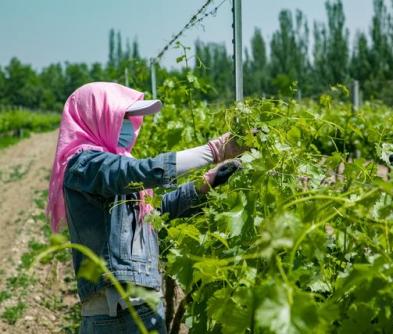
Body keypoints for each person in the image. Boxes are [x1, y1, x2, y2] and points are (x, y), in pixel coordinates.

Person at [46, 82, 246, 333]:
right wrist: (212, 151)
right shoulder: (85, 165)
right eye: (124, 117)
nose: (130, 125)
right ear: (98, 116)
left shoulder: (115, 165)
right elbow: (138, 172)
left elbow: (152, 216)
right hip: (117, 313)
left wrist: (205, 184)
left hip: (140, 306)